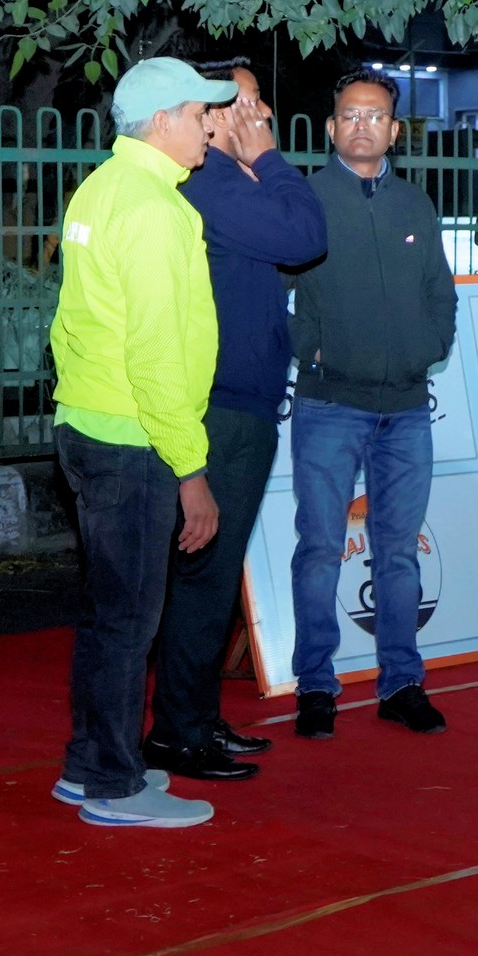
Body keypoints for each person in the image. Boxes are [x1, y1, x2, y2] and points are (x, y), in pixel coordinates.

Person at [47, 56, 234, 829]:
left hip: (89, 423)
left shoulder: (101, 186)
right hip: (134, 438)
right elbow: (155, 355)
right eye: (198, 113)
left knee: (107, 615)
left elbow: (74, 321)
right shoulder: (156, 209)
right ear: (162, 122)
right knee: (129, 622)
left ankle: (93, 761)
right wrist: (191, 469)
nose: (210, 126)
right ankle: (114, 787)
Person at [144, 59, 329, 781]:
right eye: (250, 103)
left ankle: (194, 718)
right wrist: (270, 159)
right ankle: (178, 734)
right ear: (215, 113)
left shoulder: (226, 181)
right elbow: (305, 236)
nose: (264, 116)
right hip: (221, 411)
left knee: (214, 578)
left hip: (237, 404)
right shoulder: (217, 183)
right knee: (204, 576)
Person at [288, 67, 458, 739]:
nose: (362, 126)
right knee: (320, 548)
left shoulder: (416, 204)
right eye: (350, 115)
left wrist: (428, 346)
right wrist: (311, 348)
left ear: (394, 130)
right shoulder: (302, 199)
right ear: (332, 127)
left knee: (398, 552)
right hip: (329, 405)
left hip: (407, 409)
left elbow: (440, 292)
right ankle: (315, 687)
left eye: (375, 116)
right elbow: (270, 291)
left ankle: (401, 683)